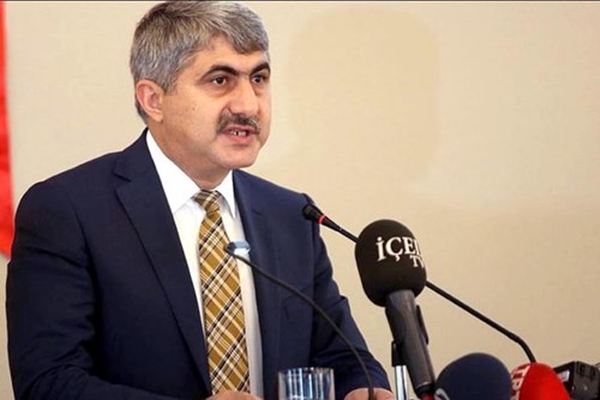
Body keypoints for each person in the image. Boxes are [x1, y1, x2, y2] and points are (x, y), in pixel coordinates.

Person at [6, 2, 394, 400]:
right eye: (220, 80)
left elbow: (344, 359)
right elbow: (48, 382)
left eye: (258, 78)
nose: (249, 105)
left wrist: (364, 388)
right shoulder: (68, 211)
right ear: (153, 99)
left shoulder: (291, 215)